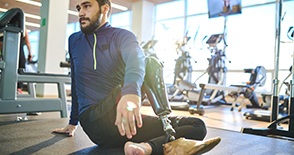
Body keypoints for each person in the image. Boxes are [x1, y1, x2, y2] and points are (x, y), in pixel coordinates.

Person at [53, 0, 220, 155]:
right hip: (93, 121)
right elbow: (76, 82)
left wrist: (131, 92)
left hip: (123, 123)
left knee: (198, 126)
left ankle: (145, 147)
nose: (81, 12)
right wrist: (72, 123)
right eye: (79, 8)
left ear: (105, 8)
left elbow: (137, 60)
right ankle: (166, 142)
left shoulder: (122, 36)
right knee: (147, 65)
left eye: (87, 6)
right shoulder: (74, 40)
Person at [0, 27, 33, 94]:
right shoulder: (23, 27)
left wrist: (3, 55)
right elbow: (28, 42)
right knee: (20, 70)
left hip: (9, 55)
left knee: (8, 71)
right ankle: (18, 89)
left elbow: (1, 44)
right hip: (19, 54)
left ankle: (12, 88)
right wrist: (30, 53)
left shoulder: (6, 27)